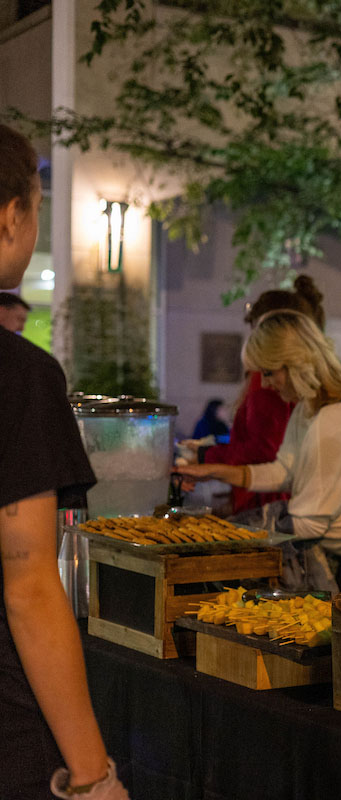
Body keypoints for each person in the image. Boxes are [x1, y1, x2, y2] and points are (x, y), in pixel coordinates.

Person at [0, 124, 129, 798]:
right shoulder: (19, 374)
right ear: (9, 215)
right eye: (37, 206)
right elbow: (27, 585)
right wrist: (91, 774)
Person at [177, 310, 341, 589]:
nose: (264, 383)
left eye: (269, 372)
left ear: (295, 364)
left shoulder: (335, 420)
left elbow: (309, 525)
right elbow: (284, 470)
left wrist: (231, 536)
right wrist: (216, 471)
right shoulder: (310, 408)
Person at [180, 277, 325, 515]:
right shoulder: (295, 386)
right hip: (278, 502)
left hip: (269, 504)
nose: (267, 380)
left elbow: (267, 452)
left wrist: (208, 456)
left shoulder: (271, 378)